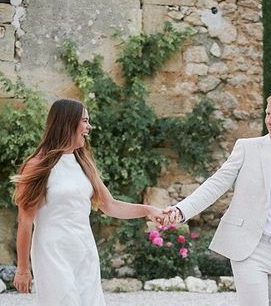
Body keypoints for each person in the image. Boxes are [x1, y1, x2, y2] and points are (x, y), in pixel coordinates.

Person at [167, 89, 271, 306]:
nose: (269, 120)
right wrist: (181, 210)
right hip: (251, 248)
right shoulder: (247, 148)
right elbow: (216, 184)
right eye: (268, 114)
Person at [12, 98, 166, 305]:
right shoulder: (37, 165)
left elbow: (110, 205)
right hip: (52, 252)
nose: (89, 127)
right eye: (85, 121)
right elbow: (25, 221)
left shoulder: (83, 162)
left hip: (84, 248)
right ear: (68, 122)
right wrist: (23, 268)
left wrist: (149, 209)